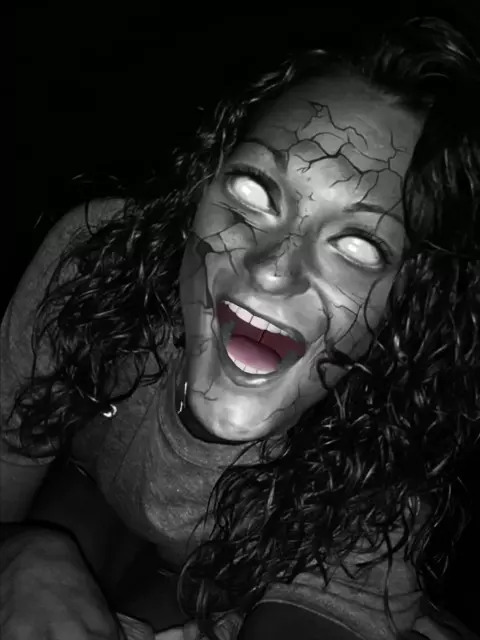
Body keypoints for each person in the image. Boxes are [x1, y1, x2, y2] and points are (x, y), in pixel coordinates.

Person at [1, 14, 479, 640]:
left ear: (407, 304)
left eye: (359, 246)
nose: (272, 268)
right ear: (201, 186)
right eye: (254, 191)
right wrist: (20, 554)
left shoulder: (385, 454)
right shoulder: (97, 264)